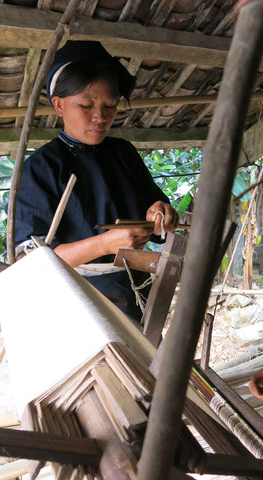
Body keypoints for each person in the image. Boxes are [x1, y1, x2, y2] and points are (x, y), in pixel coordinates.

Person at [12, 40, 179, 322]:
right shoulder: (41, 168)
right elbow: (31, 260)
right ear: (59, 105)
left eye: (110, 106)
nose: (100, 117)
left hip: (138, 293)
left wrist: (161, 214)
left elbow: (160, 225)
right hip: (73, 304)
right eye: (86, 105)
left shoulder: (123, 153)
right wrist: (104, 244)